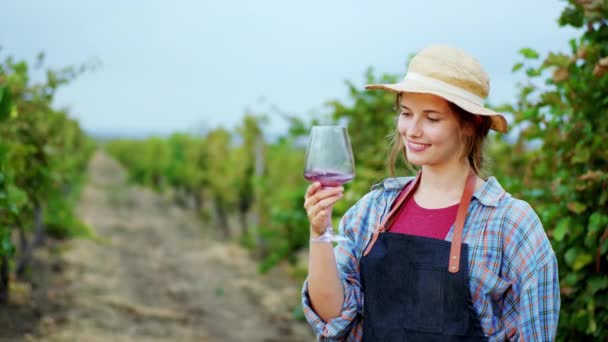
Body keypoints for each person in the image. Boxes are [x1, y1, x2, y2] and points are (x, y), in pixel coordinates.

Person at [302, 44, 560, 341]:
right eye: (406, 113)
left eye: (432, 118)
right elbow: (332, 316)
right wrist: (319, 232)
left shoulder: (511, 225)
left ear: (470, 124)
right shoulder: (373, 210)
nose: (412, 130)